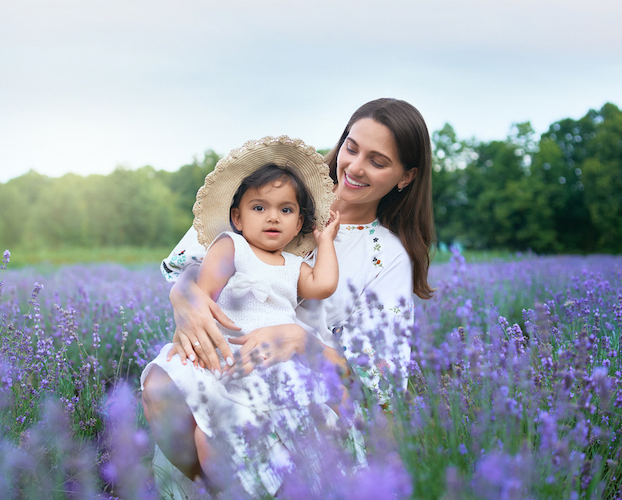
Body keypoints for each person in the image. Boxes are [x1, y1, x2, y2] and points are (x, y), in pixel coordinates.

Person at [142, 98, 436, 496]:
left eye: (378, 161)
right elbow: (194, 260)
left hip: (302, 389)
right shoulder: (282, 189)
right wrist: (185, 297)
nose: (354, 167)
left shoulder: (387, 258)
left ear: (406, 177)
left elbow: (379, 384)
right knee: (161, 391)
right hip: (226, 355)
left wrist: (300, 340)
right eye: (352, 147)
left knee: (227, 445)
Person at [142, 136, 342, 495]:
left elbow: (324, 285)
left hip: (273, 362)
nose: (272, 218)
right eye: (259, 207)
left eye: (285, 210)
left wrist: (325, 241)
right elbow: (204, 296)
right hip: (226, 352)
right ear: (237, 216)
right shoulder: (230, 245)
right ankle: (214, 487)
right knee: (209, 435)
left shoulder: (294, 265)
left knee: (260, 436)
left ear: (298, 225)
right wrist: (191, 334)